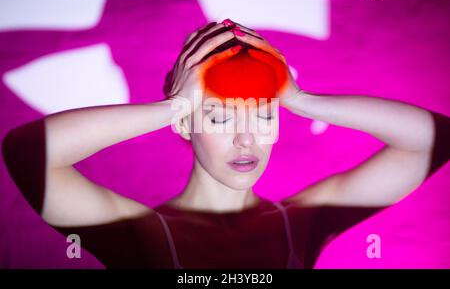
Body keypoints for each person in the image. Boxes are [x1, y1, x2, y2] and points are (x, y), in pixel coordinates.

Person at [2, 19, 449, 269]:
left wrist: (300, 99)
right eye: (218, 116)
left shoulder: (302, 223)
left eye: (264, 115)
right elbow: (28, 153)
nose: (246, 138)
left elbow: (433, 140)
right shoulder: (140, 235)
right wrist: (172, 107)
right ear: (183, 124)